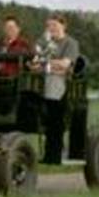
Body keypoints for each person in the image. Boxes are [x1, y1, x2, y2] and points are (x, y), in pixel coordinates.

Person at [32, 14, 80, 165]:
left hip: (61, 85)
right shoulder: (46, 42)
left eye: (54, 25)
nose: (51, 28)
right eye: (49, 25)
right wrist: (50, 65)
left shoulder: (70, 43)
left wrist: (45, 65)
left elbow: (65, 65)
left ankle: (53, 155)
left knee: (55, 120)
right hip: (43, 82)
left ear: (63, 25)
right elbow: (34, 62)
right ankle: (50, 153)